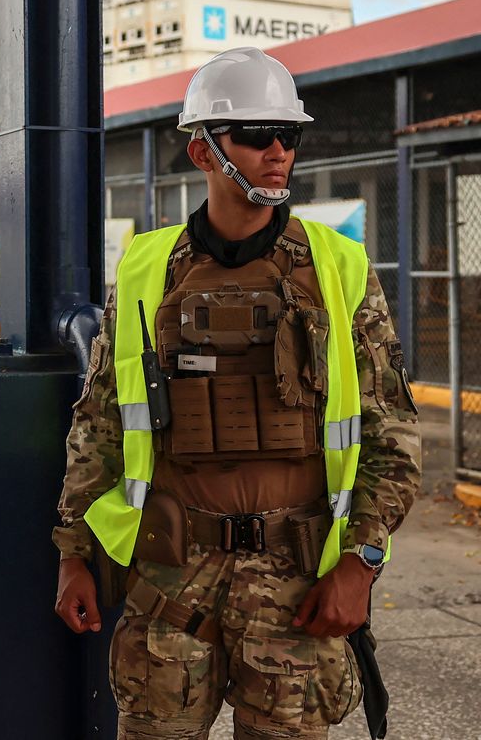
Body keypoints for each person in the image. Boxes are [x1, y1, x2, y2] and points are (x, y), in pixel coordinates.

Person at [53, 47, 421, 740]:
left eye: (290, 135)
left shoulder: (338, 267)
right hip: (169, 574)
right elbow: (100, 419)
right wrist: (73, 553)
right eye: (255, 135)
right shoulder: (146, 268)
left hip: (299, 579)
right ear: (203, 152)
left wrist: (361, 563)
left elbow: (391, 434)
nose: (277, 151)